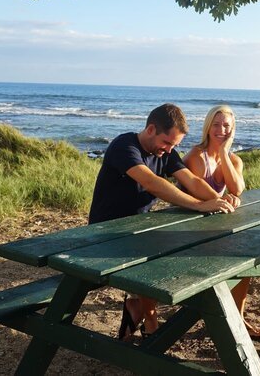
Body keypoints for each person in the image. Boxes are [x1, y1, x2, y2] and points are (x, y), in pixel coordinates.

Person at [88, 103, 239, 341]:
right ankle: (150, 321)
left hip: (139, 226)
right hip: (105, 231)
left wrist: (219, 200)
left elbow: (189, 179)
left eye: (174, 145)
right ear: (151, 130)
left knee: (182, 250)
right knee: (158, 259)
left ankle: (138, 308)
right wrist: (199, 205)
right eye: (167, 143)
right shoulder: (124, 146)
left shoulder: (165, 152)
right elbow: (152, 182)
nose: (169, 150)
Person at [183, 105, 260, 340]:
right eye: (216, 124)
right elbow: (204, 196)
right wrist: (220, 198)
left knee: (246, 246)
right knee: (243, 249)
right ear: (207, 127)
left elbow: (237, 188)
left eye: (226, 125)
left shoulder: (234, 159)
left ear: (232, 129)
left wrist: (224, 153)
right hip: (187, 227)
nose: (221, 130)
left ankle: (239, 316)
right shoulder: (196, 156)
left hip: (214, 223)